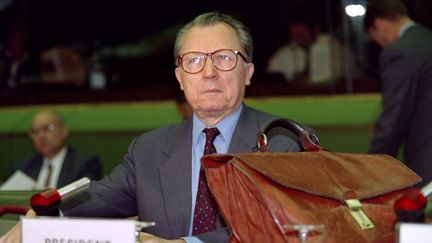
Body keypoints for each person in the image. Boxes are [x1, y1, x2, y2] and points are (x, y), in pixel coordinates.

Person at [1, 12, 303, 242]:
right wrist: (47, 216)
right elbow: (103, 194)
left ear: (247, 72)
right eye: (194, 61)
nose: (209, 72)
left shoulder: (280, 142)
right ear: (180, 77)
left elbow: (269, 226)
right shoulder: (149, 148)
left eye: (224, 58)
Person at [364, 0, 432, 188]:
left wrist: (372, 168)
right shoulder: (427, 39)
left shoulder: (399, 52)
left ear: (378, 24)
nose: (381, 44)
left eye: (374, 38)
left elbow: (394, 118)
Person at [8, 109, 103, 189]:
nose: (41, 136)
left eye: (48, 128)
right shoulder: (23, 167)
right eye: (35, 131)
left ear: (64, 131)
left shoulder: (85, 163)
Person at [266, 17, 348, 84]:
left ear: (315, 30)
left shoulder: (334, 47)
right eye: (295, 35)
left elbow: (336, 76)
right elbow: (272, 74)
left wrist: (306, 81)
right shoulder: (286, 51)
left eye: (301, 35)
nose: (298, 39)